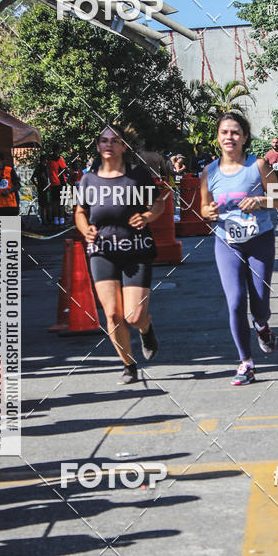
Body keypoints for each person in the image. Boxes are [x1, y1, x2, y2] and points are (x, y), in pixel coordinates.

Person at [74, 125, 167, 385]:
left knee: (134, 316)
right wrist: (85, 230)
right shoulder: (88, 180)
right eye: (103, 141)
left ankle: (146, 330)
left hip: (136, 249)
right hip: (102, 251)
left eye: (114, 141)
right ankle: (129, 365)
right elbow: (80, 212)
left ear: (124, 146)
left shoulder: (138, 176)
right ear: (97, 146)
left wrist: (148, 216)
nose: (109, 145)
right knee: (113, 314)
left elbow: (158, 203)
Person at [200, 112, 278, 386]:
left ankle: (262, 325)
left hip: (260, 240)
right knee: (235, 301)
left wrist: (259, 200)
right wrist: (209, 212)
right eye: (224, 132)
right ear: (218, 137)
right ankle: (246, 362)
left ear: (245, 137)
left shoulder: (258, 166)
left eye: (235, 132)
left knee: (259, 302)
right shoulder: (209, 171)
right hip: (227, 243)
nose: (229, 137)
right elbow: (202, 208)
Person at [0, 151, 21, 216]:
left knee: (11, 225)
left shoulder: (10, 170)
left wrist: (9, 191)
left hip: (10, 205)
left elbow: (18, 185)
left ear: (3, 161)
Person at [47, 146, 68, 226]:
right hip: (61, 183)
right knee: (61, 202)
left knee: (55, 202)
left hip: (53, 184)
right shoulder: (59, 159)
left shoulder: (49, 161)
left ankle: (56, 220)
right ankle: (62, 220)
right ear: (58, 150)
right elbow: (65, 169)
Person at [31, 153, 50, 225]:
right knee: (45, 204)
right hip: (45, 187)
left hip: (40, 187)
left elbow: (32, 178)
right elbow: (44, 177)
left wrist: (37, 185)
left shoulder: (37, 167)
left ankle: (42, 219)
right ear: (44, 160)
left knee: (41, 204)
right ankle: (45, 220)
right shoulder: (43, 168)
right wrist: (47, 184)